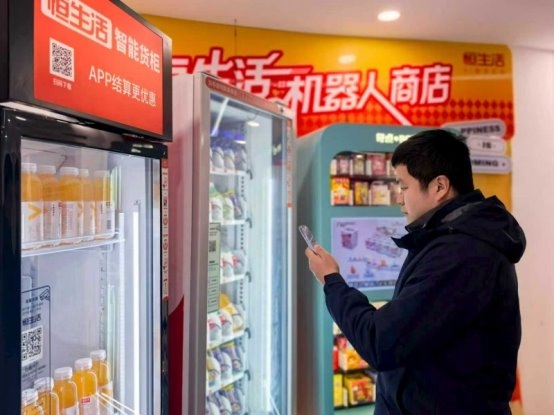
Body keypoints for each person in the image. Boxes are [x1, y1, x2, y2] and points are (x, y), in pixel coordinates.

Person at [305, 129, 525, 415]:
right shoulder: (450, 239)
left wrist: (331, 280)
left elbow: (380, 342)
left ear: (439, 186)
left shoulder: (460, 254)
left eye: (404, 186)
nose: (399, 199)